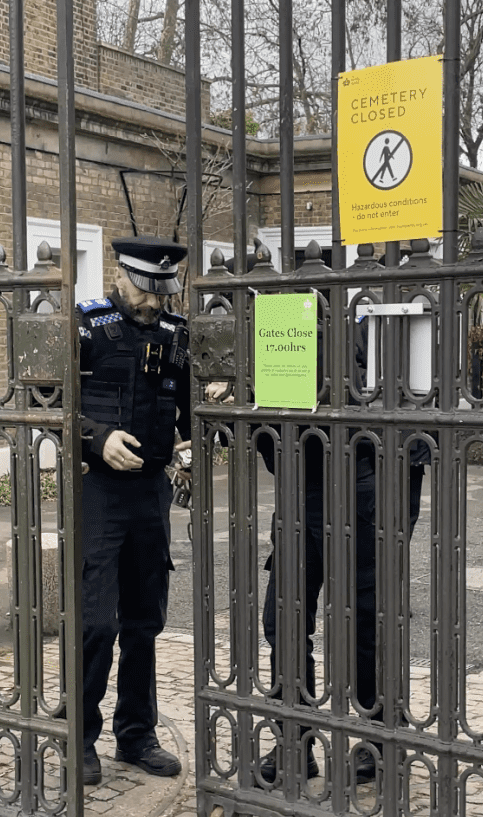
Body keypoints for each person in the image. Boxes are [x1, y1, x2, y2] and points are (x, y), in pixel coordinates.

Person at [208, 253, 425, 786]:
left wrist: (399, 514)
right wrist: (234, 404)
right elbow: (257, 432)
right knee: (282, 619)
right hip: (299, 493)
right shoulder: (266, 335)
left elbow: (408, 424)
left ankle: (379, 738)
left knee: (366, 620)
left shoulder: (364, 332)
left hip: (361, 490)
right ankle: (294, 740)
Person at [76, 236, 190, 786]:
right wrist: (97, 438)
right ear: (119, 276)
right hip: (99, 492)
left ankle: (136, 735)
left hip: (151, 494)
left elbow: (191, 410)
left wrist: (198, 436)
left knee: (145, 622)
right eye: (144, 289)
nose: (153, 302)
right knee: (98, 622)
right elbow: (45, 404)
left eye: (161, 291)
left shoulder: (175, 333)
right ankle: (79, 736)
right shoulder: (86, 327)